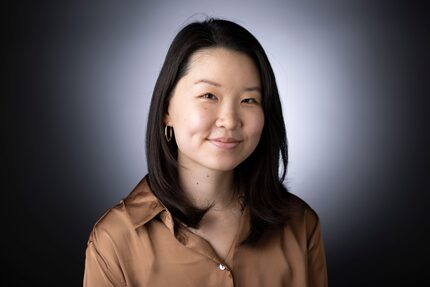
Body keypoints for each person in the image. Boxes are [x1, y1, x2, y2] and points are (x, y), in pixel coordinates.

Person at [83, 18, 328, 286]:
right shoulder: (116, 239)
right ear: (167, 110)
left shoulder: (300, 225)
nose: (230, 120)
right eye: (209, 96)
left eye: (248, 100)